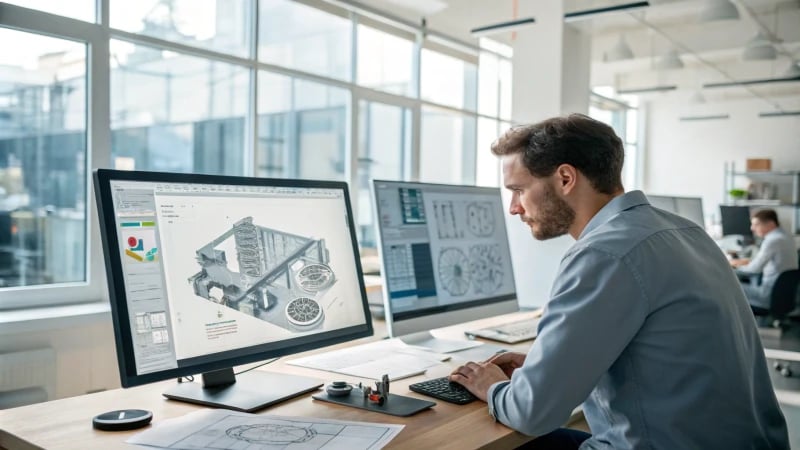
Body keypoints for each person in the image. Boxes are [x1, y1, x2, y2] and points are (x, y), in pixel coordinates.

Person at [449, 114, 789, 449]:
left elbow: (531, 412)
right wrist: (551, 368)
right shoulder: (686, 232)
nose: (513, 208)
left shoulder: (604, 254)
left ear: (565, 178)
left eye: (519, 190)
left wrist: (491, 385)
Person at [730, 208, 798, 311]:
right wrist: (744, 263)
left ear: (770, 224)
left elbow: (754, 269)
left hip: (767, 295)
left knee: (729, 286)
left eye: (756, 224)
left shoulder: (773, 240)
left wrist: (732, 268)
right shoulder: (787, 236)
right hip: (784, 294)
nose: (752, 228)